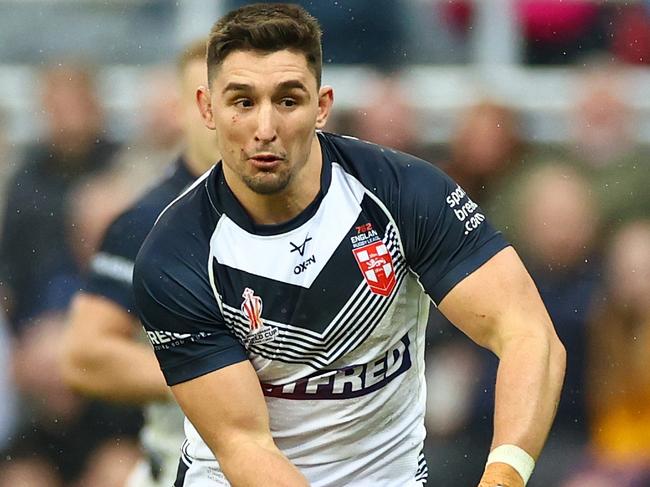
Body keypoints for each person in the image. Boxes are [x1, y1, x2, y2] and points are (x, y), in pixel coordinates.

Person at [132, 4, 566, 487]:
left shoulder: (404, 193)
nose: (265, 128)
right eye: (243, 102)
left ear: (322, 106)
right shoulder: (176, 256)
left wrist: (504, 477)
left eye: (288, 100)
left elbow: (530, 336)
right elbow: (244, 445)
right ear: (207, 109)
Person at [60, 38, 221, 487]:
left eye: (235, 99)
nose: (218, 119)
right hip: (183, 471)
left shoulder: (308, 209)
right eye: (203, 101)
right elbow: (84, 357)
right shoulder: (147, 221)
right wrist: (213, 372)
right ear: (180, 111)